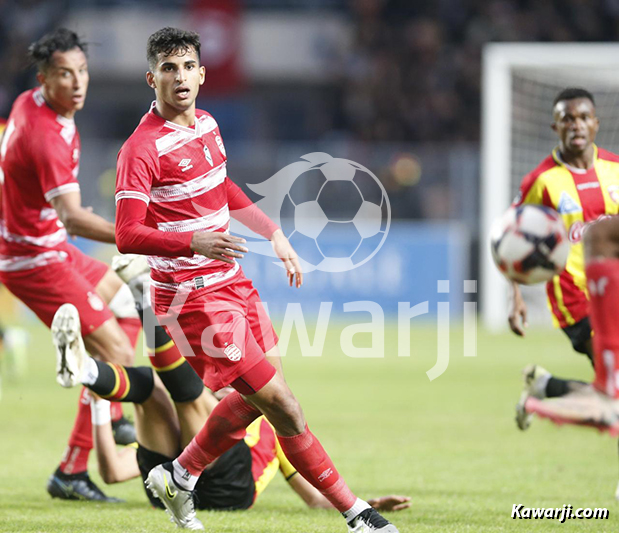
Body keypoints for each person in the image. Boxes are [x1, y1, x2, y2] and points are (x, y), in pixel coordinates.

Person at [113, 27, 400, 532]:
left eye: (187, 67)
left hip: (232, 281)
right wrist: (193, 243)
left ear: (202, 74)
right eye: (168, 68)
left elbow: (220, 186)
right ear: (151, 77)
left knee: (255, 400)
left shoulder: (207, 124)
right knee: (284, 407)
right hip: (190, 297)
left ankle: (178, 477)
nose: (179, 77)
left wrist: (273, 234)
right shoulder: (141, 149)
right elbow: (127, 234)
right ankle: (358, 516)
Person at [51, 270, 411, 515]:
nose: (226, 380)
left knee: (179, 395)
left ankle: (146, 301)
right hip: (170, 491)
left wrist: (366, 504)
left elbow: (315, 498)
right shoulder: (212, 405)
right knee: (153, 392)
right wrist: (95, 399)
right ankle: (84, 368)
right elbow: (113, 471)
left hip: (228, 493)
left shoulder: (273, 423)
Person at [0, 28, 141, 502]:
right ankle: (76, 464)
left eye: (82, 71)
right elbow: (74, 216)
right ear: (45, 77)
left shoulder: (33, 102)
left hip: (47, 245)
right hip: (33, 259)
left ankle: (107, 414)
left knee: (127, 302)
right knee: (119, 354)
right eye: (65, 74)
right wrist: (145, 237)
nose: (78, 82)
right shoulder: (46, 138)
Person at [509, 87, 619, 430]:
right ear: (554, 127)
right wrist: (515, 298)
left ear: (596, 124)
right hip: (574, 298)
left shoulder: (615, 169)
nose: (576, 125)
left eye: (583, 117)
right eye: (567, 119)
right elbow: (513, 237)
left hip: (613, 292)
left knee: (611, 389)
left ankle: (546, 387)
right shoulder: (542, 181)